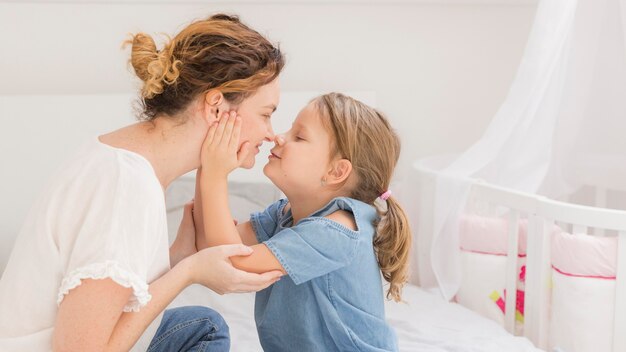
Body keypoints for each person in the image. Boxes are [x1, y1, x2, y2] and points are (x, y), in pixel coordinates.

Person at [0, 13, 285, 352]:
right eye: (267, 114)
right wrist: (189, 272)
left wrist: (177, 258)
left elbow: (109, 292)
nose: (271, 134)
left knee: (203, 326)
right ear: (216, 108)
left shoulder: (123, 157)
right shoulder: (125, 186)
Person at [195, 92, 412, 351]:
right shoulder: (285, 214)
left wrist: (215, 173)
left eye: (299, 136)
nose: (278, 136)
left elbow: (232, 261)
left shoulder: (338, 231)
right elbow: (211, 245)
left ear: (336, 171)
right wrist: (206, 165)